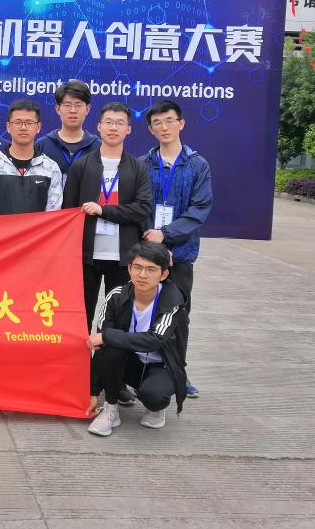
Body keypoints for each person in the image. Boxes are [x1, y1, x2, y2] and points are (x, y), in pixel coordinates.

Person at [141, 100, 213, 398]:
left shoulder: (197, 165)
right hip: (147, 255)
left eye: (170, 120)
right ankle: (139, 373)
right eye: (157, 122)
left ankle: (178, 373)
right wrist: (153, 242)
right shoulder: (143, 163)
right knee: (143, 313)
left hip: (180, 255)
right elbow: (139, 205)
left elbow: (199, 209)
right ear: (150, 129)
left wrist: (167, 237)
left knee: (178, 315)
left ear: (181, 123)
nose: (164, 127)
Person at [64, 101, 152, 335]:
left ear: (128, 129)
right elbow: (68, 210)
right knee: (80, 317)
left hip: (123, 257)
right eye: (109, 122)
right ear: (99, 126)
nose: (113, 128)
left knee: (118, 319)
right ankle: (81, 358)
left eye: (120, 123)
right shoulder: (82, 166)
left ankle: (110, 359)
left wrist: (103, 210)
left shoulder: (138, 168)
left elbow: (143, 209)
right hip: (86, 258)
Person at [86, 242, 189, 436]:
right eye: (138, 267)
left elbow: (155, 339)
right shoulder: (116, 296)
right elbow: (101, 347)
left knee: (155, 397)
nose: (142, 275)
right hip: (129, 362)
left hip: (161, 365)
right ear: (129, 269)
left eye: (151, 269)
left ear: (163, 274)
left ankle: (156, 408)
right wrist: (93, 391)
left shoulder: (172, 299)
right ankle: (111, 409)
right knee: (109, 347)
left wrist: (108, 336)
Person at [0, 98, 62, 215]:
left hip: (40, 228)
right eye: (17, 122)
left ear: (38, 127)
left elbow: (53, 216)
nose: (23, 128)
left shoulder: (51, 168)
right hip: (1, 228)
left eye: (29, 123)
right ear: (8, 127)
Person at [36, 79, 100, 188]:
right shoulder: (42, 146)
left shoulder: (98, 147)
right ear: (58, 109)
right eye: (67, 105)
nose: (73, 110)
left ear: (87, 109)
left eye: (78, 105)